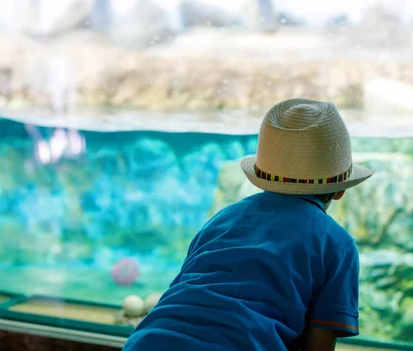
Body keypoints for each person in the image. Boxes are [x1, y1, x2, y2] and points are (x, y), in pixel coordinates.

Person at [123, 98, 374, 351]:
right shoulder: (337, 244)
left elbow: (186, 293)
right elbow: (318, 346)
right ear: (341, 189)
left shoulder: (221, 220)